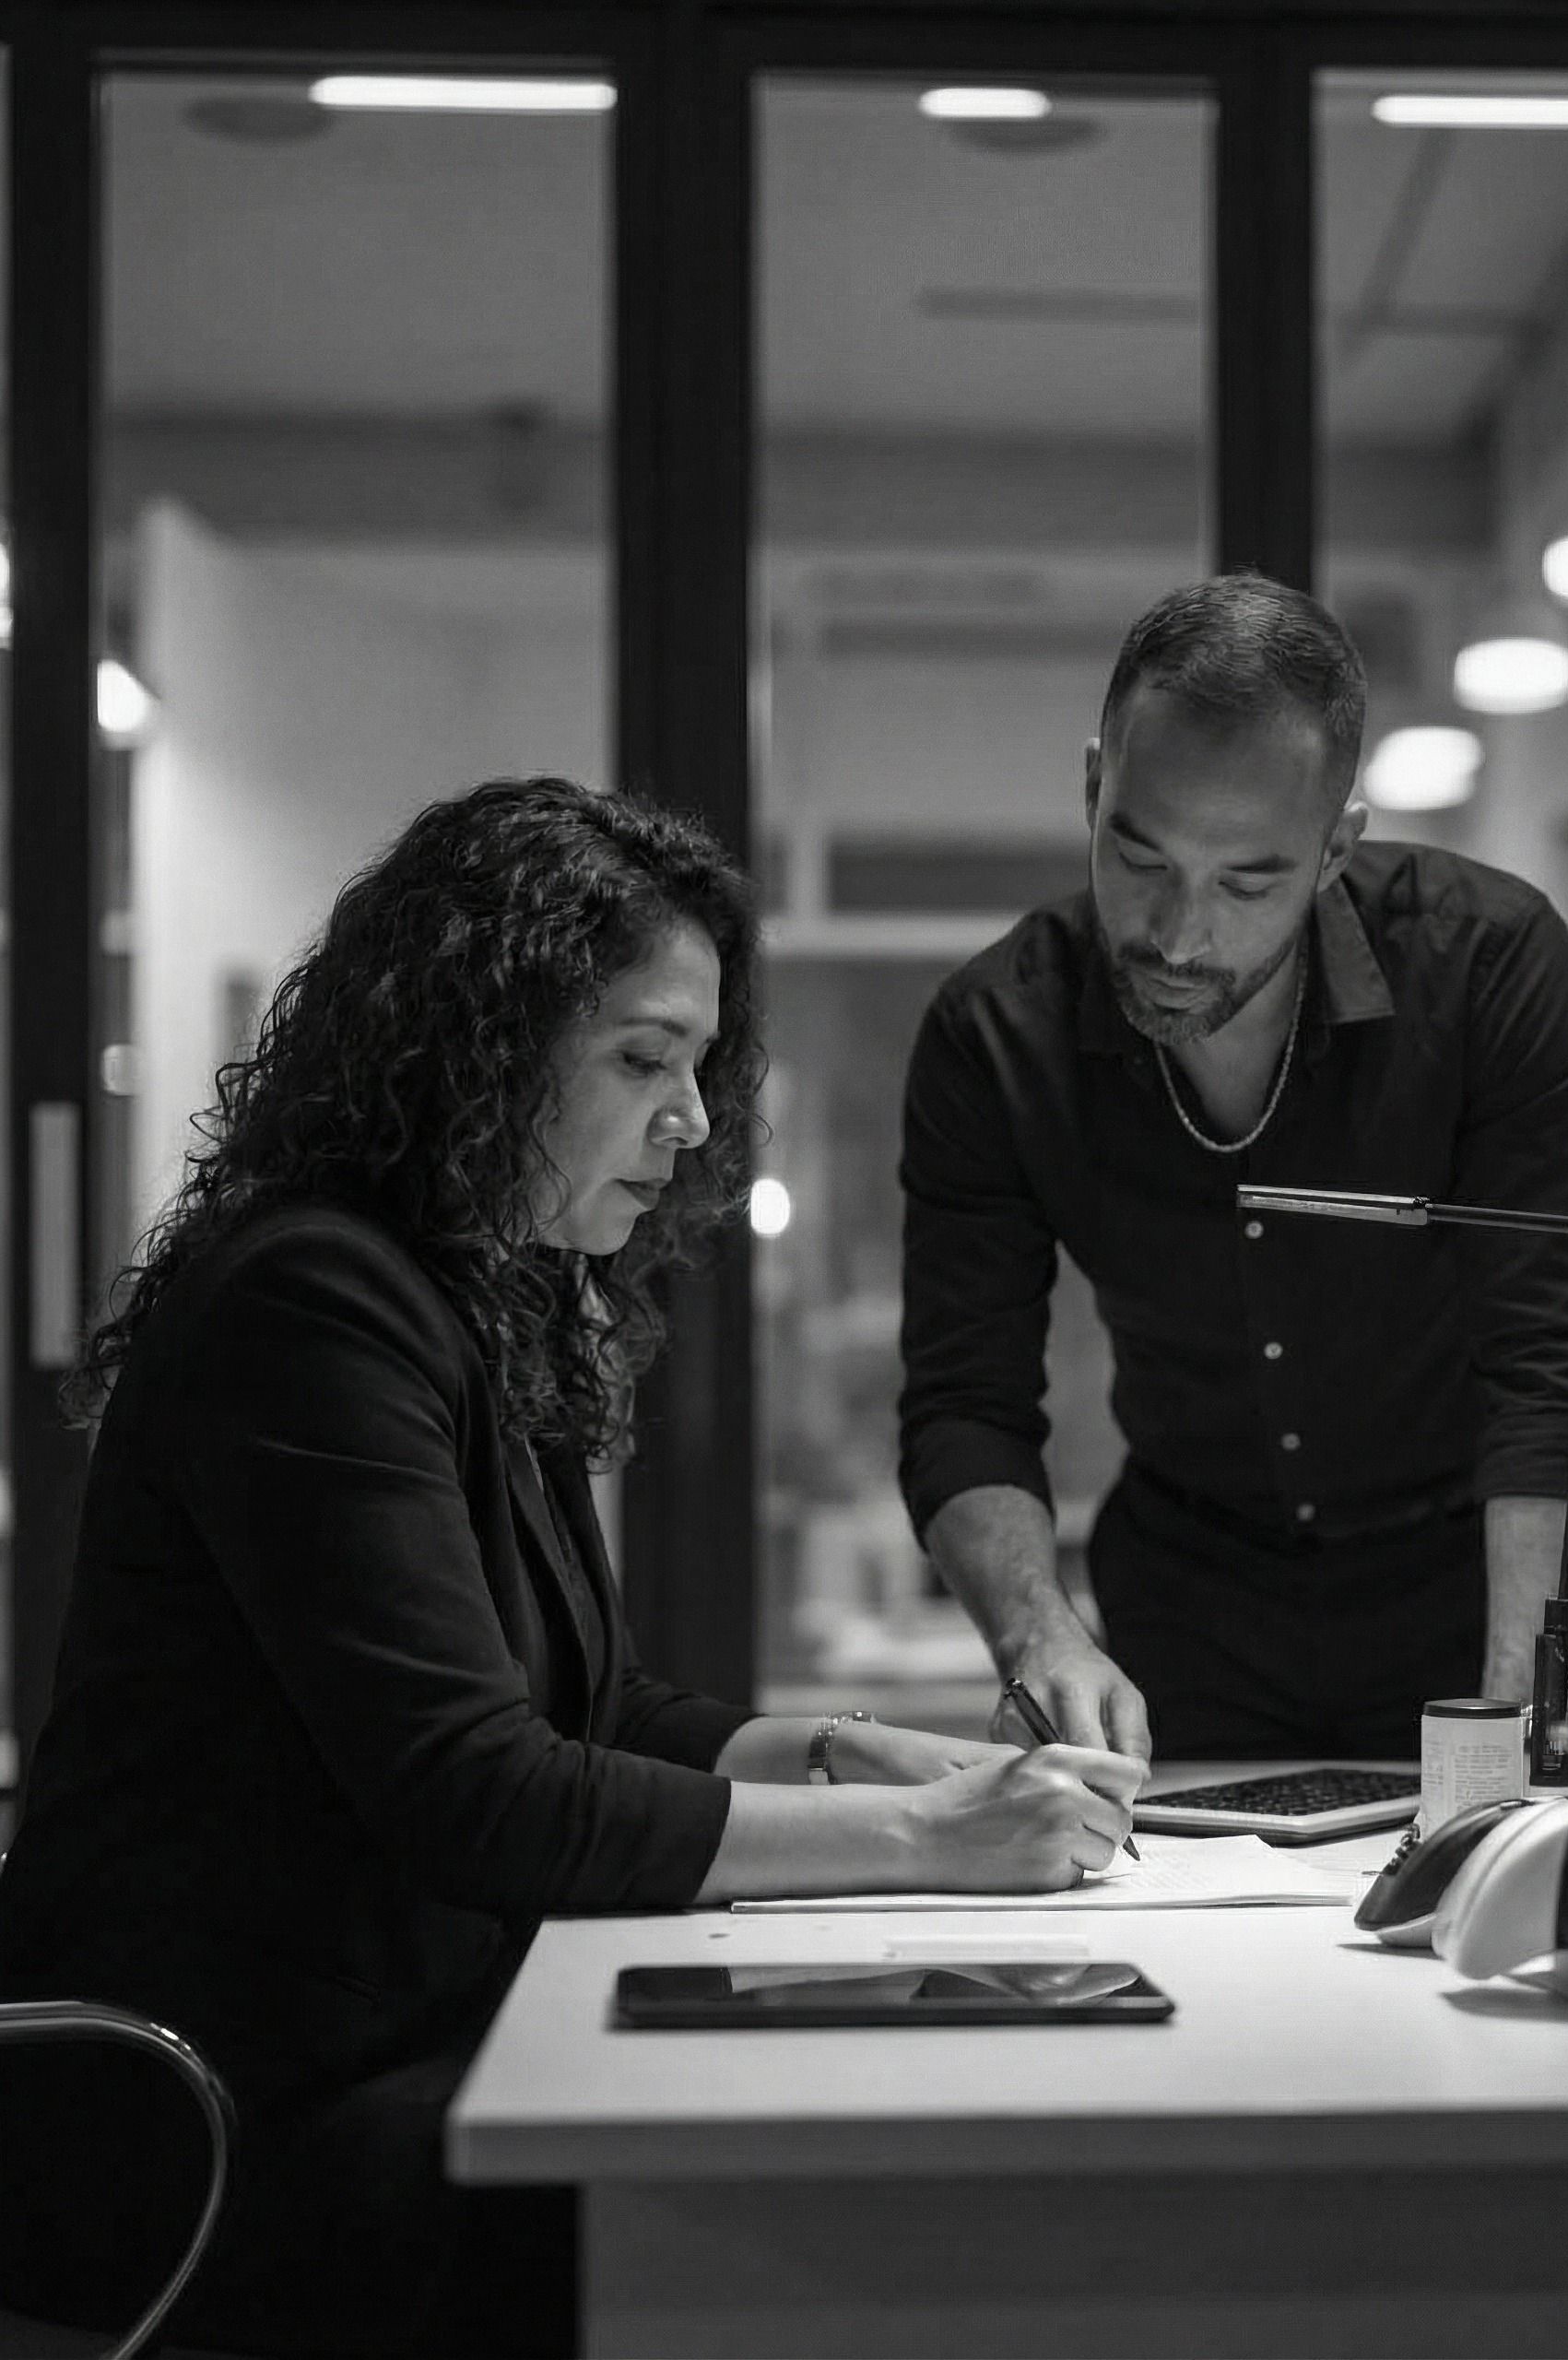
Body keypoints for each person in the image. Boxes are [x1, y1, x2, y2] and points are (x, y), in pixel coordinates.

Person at [0, 779, 1141, 2360]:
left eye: (696, 1066)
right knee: (787, 2219)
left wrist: (846, 1753)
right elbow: (479, 1790)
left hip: (390, 2045)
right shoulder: (310, 1304)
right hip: (216, 2120)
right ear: (482, 1046)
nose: (692, 1123)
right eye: (641, 1060)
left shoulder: (484, 1290)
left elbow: (585, 1710)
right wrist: (927, 1838)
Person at [898, 572, 1568, 1766]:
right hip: (1188, 1612)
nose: (1180, 935)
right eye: (1139, 857)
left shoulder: (1488, 970)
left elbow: (1552, 1379)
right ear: (1093, 786)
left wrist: (1515, 1729)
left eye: (1247, 882)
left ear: (1336, 848)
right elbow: (965, 1404)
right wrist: (1039, 1637)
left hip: (1468, 1590)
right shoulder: (996, 1036)